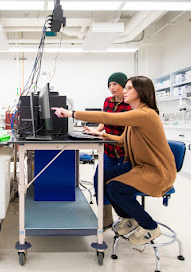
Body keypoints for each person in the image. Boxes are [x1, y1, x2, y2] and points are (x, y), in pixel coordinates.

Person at [52, 76, 176, 245]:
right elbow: (123, 139)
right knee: (103, 176)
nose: (124, 91)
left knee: (115, 188)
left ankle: (150, 226)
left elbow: (107, 117)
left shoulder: (146, 114)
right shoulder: (136, 115)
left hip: (156, 171)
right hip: (139, 166)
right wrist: (101, 134)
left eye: (129, 88)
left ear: (141, 92)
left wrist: (71, 114)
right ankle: (128, 218)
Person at [83, 72, 132, 231]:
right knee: (99, 179)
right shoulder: (108, 101)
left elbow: (128, 131)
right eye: (110, 85)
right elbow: (105, 120)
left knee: (125, 184)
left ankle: (129, 219)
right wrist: (95, 131)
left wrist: (102, 134)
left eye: (115, 84)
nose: (112, 88)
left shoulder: (130, 104)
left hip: (125, 152)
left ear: (123, 86)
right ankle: (106, 219)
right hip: (109, 151)